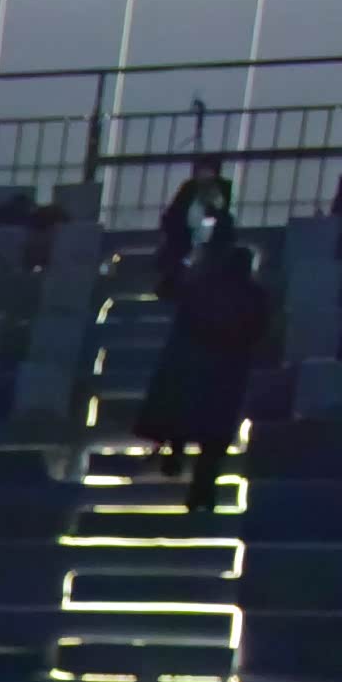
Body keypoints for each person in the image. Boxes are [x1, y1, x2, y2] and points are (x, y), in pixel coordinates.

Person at [140, 235, 268, 516]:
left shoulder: (203, 287)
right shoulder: (254, 295)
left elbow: (169, 294)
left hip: (196, 369)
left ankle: (177, 458)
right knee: (213, 441)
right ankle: (202, 492)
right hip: (227, 375)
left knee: (183, 418)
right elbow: (259, 333)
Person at [157, 157, 232, 293]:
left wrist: (203, 242)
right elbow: (173, 214)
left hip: (207, 244)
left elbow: (215, 219)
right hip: (186, 241)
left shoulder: (220, 191)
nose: (203, 176)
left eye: (206, 172)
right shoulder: (189, 189)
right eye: (200, 172)